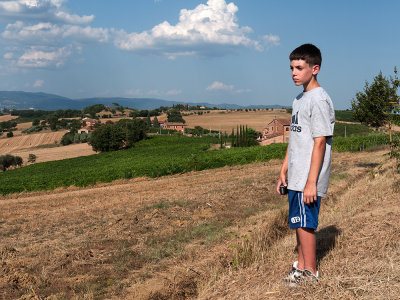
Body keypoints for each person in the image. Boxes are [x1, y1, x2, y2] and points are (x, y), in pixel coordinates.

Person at [276, 43, 335, 286]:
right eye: (291, 67)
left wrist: (312, 182)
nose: (294, 72)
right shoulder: (299, 99)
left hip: (308, 178)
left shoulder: (319, 100)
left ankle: (310, 272)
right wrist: (284, 169)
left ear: (315, 68)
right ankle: (301, 266)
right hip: (296, 174)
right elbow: (295, 138)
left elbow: (320, 142)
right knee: (299, 223)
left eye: (299, 67)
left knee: (306, 224)